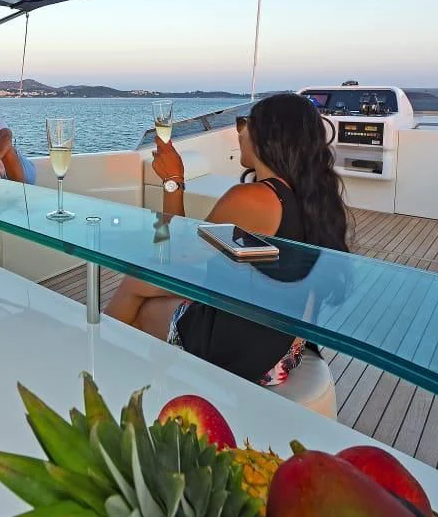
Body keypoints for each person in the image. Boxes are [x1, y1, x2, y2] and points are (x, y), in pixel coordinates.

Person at [104, 92, 350, 385]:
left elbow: (172, 252)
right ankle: (156, 386)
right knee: (145, 282)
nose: (240, 132)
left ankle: (98, 364)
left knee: (139, 294)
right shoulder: (311, 198)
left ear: (267, 137)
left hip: (252, 350)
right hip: (289, 344)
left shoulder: (254, 198)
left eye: (245, 123)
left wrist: (173, 181)